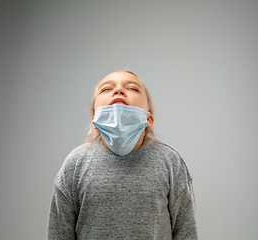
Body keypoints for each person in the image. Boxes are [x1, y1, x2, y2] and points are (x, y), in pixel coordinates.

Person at [47, 70, 198, 239]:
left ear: (148, 120)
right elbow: (59, 234)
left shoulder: (170, 163)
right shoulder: (75, 165)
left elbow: (186, 232)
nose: (118, 91)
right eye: (106, 89)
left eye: (133, 88)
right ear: (94, 119)